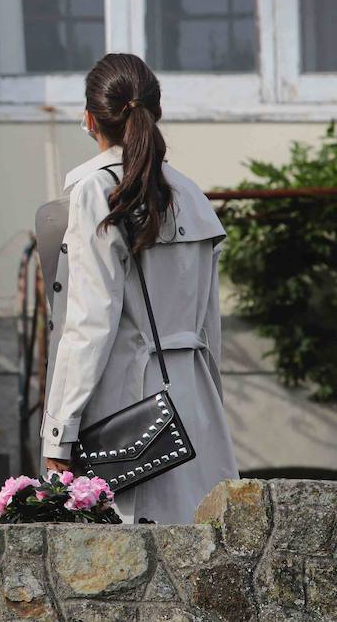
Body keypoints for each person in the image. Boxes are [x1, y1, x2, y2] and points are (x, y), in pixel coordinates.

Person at [39, 53, 239, 525]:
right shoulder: (191, 195)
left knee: (132, 577)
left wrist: (58, 432)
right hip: (194, 403)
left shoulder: (96, 192)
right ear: (156, 112)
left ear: (90, 120)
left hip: (129, 410)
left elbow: (89, 322)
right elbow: (211, 330)